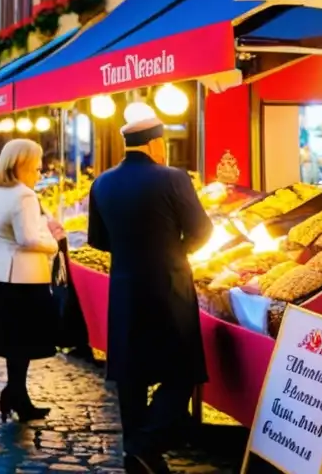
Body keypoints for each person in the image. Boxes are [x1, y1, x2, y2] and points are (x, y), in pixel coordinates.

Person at [88, 117, 212, 474]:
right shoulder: (173, 177)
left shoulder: (103, 182)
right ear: (156, 144)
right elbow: (202, 230)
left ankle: (137, 455)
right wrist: (176, 252)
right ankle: (145, 444)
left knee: (131, 372)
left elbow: (97, 240)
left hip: (124, 286)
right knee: (182, 369)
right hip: (169, 285)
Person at [0, 138, 62, 423]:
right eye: (37, 166)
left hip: (2, 272)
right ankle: (17, 395)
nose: (39, 172)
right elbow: (28, 238)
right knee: (24, 341)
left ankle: (17, 394)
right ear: (24, 165)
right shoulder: (24, 195)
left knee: (14, 342)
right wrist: (53, 243)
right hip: (25, 276)